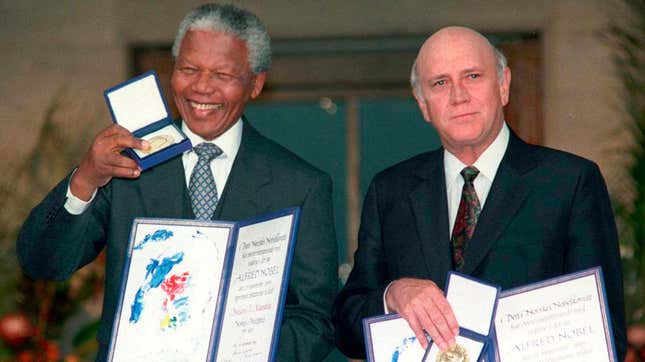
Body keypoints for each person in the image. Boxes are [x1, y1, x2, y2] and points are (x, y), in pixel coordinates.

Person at [17, 3, 338, 361]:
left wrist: (240, 351)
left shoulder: (300, 185)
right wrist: (85, 179)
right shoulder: (124, 164)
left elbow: (316, 319)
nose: (201, 87)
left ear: (256, 84)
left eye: (222, 75)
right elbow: (42, 261)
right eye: (189, 69)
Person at [333, 26, 626, 360]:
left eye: (472, 76)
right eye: (440, 83)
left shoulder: (570, 182)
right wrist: (392, 295)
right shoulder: (391, 191)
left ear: (503, 86)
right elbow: (346, 326)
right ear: (423, 104)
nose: (458, 96)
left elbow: (606, 333)